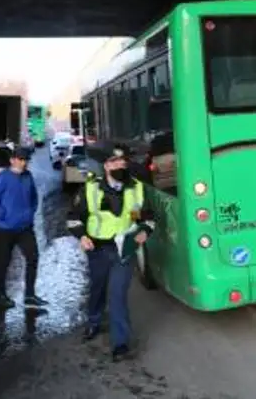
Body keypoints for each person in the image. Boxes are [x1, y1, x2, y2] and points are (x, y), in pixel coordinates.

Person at [66, 144, 152, 362]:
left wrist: (144, 231)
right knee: (98, 288)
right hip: (97, 249)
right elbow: (73, 218)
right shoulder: (90, 188)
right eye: (114, 162)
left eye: (122, 162)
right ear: (105, 166)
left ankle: (120, 344)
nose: (120, 165)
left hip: (124, 250)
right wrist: (82, 236)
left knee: (117, 295)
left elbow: (145, 218)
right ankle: (94, 320)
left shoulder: (136, 188)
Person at [0, 146, 48, 309]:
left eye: (25, 160)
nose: (23, 163)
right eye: (20, 159)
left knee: (33, 258)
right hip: (5, 228)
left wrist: (30, 214)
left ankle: (30, 295)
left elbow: (34, 198)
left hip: (25, 228)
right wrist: (2, 215)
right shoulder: (1, 178)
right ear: (12, 160)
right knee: (3, 262)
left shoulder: (28, 176)